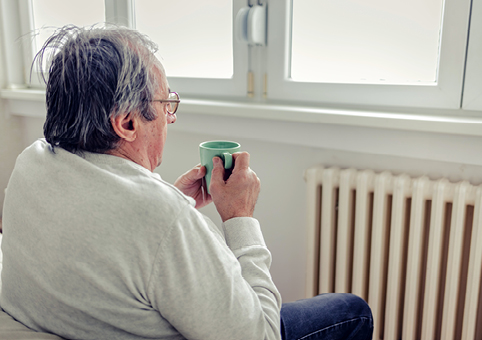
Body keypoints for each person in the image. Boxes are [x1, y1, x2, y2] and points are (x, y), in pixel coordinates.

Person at [0, 25, 373, 340]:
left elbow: (95, 227)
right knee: (353, 311)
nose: (170, 118)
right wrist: (240, 218)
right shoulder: (161, 217)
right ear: (128, 123)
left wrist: (173, 200)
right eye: (166, 105)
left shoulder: (31, 163)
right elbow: (259, 334)